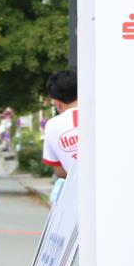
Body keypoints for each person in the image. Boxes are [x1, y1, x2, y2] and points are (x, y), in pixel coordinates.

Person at [42, 69, 78, 205]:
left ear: (57, 103)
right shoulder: (102, 114)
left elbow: (60, 172)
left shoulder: (52, 126)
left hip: (78, 197)